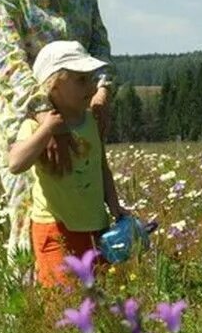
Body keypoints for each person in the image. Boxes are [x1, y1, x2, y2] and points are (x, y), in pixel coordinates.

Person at [0, 0, 114, 267]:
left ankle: (88, 307)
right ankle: (31, 315)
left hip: (79, 115)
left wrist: (103, 91)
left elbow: (97, 39)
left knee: (85, 211)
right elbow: (7, 62)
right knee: (32, 225)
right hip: (27, 124)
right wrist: (45, 121)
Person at [7, 40, 127, 287]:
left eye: (91, 78)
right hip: (55, 229)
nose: (91, 86)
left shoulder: (91, 122)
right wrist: (46, 130)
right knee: (62, 301)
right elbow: (15, 163)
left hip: (96, 228)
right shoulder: (34, 126)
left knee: (98, 300)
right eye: (80, 80)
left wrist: (115, 208)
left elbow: (101, 168)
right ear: (53, 84)